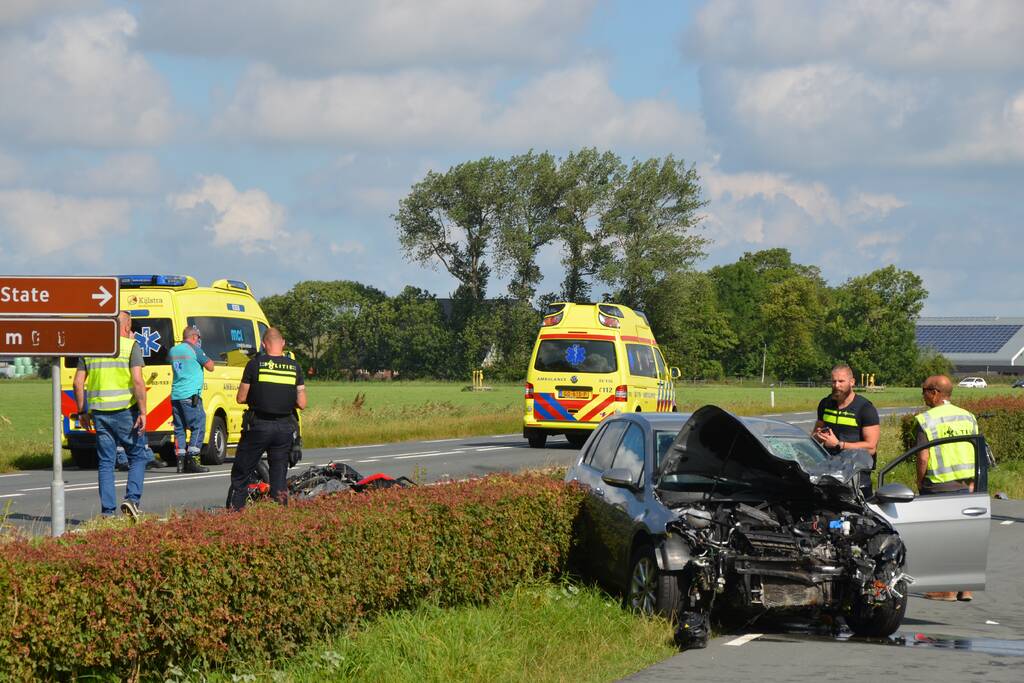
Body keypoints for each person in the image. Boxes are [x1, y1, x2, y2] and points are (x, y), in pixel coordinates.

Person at [73, 310, 152, 519]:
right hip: (125, 411)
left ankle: (107, 512)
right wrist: (143, 411)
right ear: (126, 328)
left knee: (106, 462)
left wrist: (82, 411)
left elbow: (78, 382)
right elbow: (137, 381)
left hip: (99, 413)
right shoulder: (130, 346)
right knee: (137, 456)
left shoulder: (89, 348)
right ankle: (132, 500)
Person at [915, 374, 980, 602]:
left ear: (934, 392)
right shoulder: (968, 417)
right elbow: (975, 450)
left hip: (939, 484)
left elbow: (923, 457)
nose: (922, 395)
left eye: (924, 390)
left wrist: (919, 482)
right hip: (965, 484)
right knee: (962, 535)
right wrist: (973, 481)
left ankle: (946, 590)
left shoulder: (927, 420)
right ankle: (965, 588)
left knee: (939, 537)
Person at [228, 327, 306, 510]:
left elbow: (241, 398)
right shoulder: (294, 367)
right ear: (283, 343)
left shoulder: (255, 365)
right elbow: (302, 403)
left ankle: (233, 515)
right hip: (285, 428)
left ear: (264, 344)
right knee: (279, 476)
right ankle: (279, 515)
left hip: (259, 426)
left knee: (241, 473)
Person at [168, 326, 215, 473]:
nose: (199, 341)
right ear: (194, 337)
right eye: (198, 338)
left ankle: (180, 462)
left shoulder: (173, 350)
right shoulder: (195, 349)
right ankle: (193, 459)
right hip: (190, 395)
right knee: (199, 425)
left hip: (176, 395)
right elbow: (210, 366)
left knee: (179, 428)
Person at [812, 364, 880, 460]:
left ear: (852, 382)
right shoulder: (825, 404)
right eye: (834, 381)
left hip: (856, 468)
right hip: (829, 464)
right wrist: (818, 437)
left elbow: (871, 448)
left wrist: (839, 445)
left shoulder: (865, 408)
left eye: (841, 381)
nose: (836, 385)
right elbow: (815, 435)